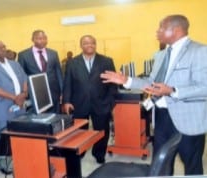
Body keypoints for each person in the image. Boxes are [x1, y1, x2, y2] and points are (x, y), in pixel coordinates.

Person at [100, 14, 207, 175]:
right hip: (162, 118)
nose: (158, 32)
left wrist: (173, 91)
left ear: (176, 30)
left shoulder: (200, 51)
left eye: (161, 28)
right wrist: (126, 80)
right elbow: (151, 82)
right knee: (161, 164)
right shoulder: (160, 55)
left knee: (192, 167)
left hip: (188, 119)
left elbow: (204, 87)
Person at [62, 35, 117, 164]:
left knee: (101, 130)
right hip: (79, 103)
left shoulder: (106, 61)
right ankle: (80, 151)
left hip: (101, 103)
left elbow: (113, 84)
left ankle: (99, 153)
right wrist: (67, 101)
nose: (89, 45)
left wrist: (110, 102)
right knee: (79, 131)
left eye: (92, 43)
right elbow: (67, 83)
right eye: (86, 43)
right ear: (81, 46)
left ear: (95, 44)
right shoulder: (72, 63)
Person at [18, 30, 63, 113]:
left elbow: (58, 73)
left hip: (53, 91)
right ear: (33, 39)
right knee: (39, 120)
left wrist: (62, 91)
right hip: (35, 93)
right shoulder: (23, 55)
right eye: (39, 38)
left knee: (55, 117)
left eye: (44, 38)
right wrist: (24, 92)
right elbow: (22, 76)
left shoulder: (53, 53)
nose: (42, 40)